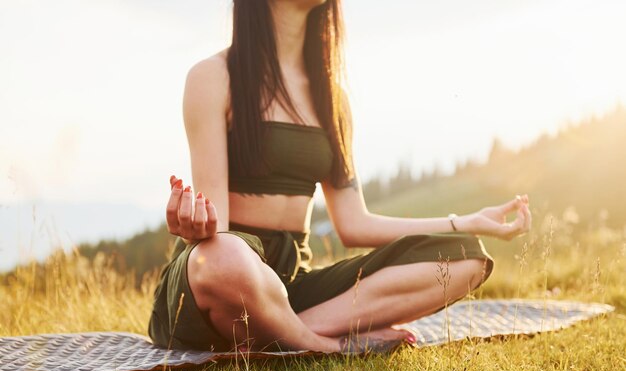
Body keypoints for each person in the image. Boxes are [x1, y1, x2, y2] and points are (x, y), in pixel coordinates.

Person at [148, 0, 531, 353]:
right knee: (224, 256)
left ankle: (279, 334)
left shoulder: (333, 99)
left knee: (466, 256)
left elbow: (353, 223)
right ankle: (326, 347)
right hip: (224, 278)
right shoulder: (212, 77)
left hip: (289, 283)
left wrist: (465, 222)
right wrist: (198, 228)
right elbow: (219, 230)